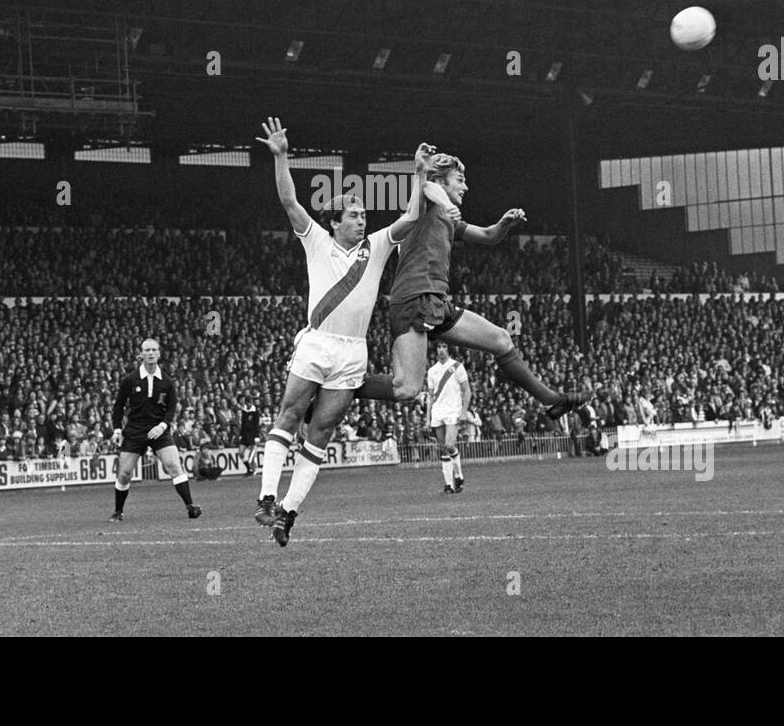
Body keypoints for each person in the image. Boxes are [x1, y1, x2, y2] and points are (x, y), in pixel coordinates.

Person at [252, 117, 429, 546]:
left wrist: (419, 173)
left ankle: (288, 514)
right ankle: (267, 499)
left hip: (352, 352)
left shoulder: (379, 243)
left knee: (321, 433)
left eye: (364, 214)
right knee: (290, 416)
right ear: (334, 222)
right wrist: (282, 158)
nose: (362, 219)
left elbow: (412, 214)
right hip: (317, 343)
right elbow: (291, 201)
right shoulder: (315, 239)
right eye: (353, 215)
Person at [354, 152, 591, 421]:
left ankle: (552, 400)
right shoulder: (423, 205)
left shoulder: (447, 218)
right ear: (443, 181)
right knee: (406, 388)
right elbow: (427, 186)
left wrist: (504, 224)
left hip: (436, 302)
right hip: (413, 299)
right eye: (460, 180)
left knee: (502, 339)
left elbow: (489, 236)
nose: (465, 187)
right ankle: (342, 386)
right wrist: (446, 204)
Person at [107, 338, 200, 521]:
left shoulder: (166, 381)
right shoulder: (130, 379)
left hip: (159, 429)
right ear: (141, 354)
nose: (150, 353)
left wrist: (163, 425)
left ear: (159, 353)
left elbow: (172, 407)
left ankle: (191, 506)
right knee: (124, 474)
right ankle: (118, 512)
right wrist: (117, 429)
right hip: (135, 429)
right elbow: (118, 406)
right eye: (146, 350)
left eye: (153, 350)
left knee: (173, 465)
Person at [422, 343, 471, 493]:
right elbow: (430, 397)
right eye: (439, 347)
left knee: (450, 445)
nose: (441, 350)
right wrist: (427, 419)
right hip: (437, 411)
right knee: (443, 449)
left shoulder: (457, 367)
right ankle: (449, 485)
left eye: (444, 346)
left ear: (448, 349)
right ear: (435, 350)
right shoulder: (432, 371)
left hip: (452, 411)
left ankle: (459, 475)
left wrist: (464, 411)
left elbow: (467, 390)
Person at [237, 402, 260, 477]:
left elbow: (256, 425)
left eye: (249, 402)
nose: (248, 404)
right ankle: (248, 468)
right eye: (247, 402)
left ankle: (254, 470)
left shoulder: (255, 412)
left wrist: (256, 436)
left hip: (252, 435)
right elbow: (243, 424)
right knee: (240, 453)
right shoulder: (244, 412)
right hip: (244, 436)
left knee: (252, 454)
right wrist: (241, 434)